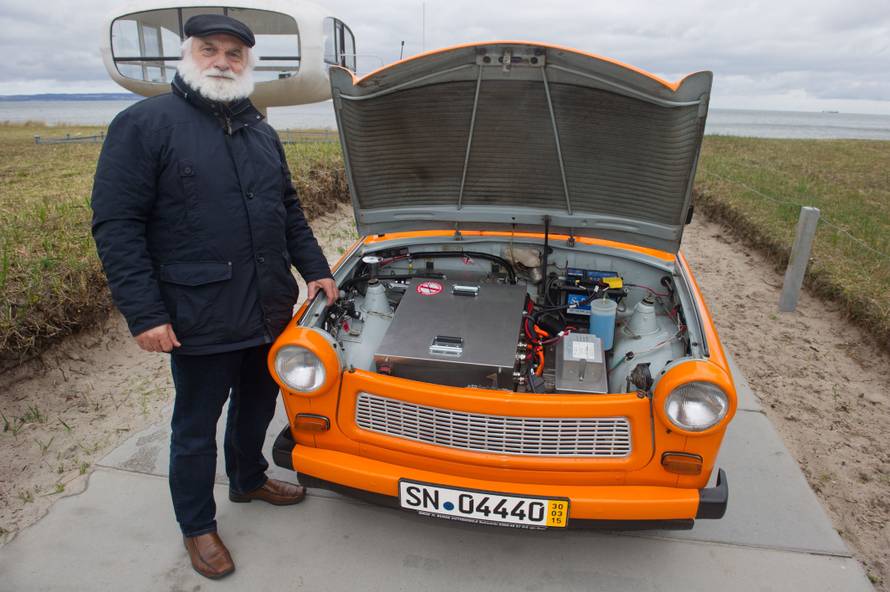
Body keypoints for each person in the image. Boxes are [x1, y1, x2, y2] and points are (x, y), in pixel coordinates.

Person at [91, 14, 337, 580]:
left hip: (268, 305)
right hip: (197, 311)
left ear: (247, 63)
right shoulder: (144, 124)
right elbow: (117, 226)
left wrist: (316, 269)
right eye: (210, 49)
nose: (222, 61)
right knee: (196, 425)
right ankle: (198, 525)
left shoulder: (259, 131)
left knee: (258, 404)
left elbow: (287, 208)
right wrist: (145, 314)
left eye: (234, 53)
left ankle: (248, 479)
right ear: (188, 55)